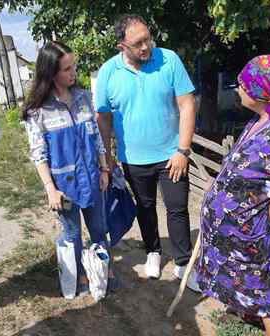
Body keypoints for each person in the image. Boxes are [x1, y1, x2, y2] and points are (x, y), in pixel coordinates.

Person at [196, 55, 270, 336]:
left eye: (244, 85)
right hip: (250, 246)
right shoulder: (264, 119)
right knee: (261, 303)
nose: (238, 89)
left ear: (263, 92)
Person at [95, 14, 199, 291]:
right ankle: (153, 251)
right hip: (133, 159)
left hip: (171, 155)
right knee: (145, 207)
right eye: (138, 43)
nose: (146, 47)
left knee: (177, 208)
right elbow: (102, 117)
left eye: (148, 39)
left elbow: (187, 105)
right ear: (121, 47)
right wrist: (107, 155)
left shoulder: (169, 60)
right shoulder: (108, 72)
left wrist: (183, 150)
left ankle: (182, 263)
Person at [23, 41, 117, 296]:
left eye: (73, 65)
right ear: (51, 73)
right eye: (67, 69)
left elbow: (96, 136)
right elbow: (38, 154)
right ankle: (79, 275)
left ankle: (104, 269)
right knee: (73, 233)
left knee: (99, 228)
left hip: (93, 178)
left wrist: (104, 169)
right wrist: (50, 189)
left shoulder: (84, 98)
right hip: (64, 187)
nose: (73, 72)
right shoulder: (38, 111)